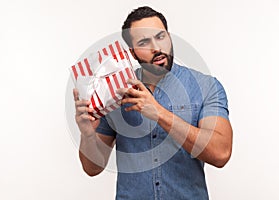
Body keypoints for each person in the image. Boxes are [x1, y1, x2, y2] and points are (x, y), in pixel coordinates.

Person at [73, 6, 233, 200]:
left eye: (160, 37)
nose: (156, 48)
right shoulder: (115, 93)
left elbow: (221, 153)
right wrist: (88, 134)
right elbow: (92, 168)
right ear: (132, 52)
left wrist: (158, 112)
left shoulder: (206, 87)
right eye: (144, 42)